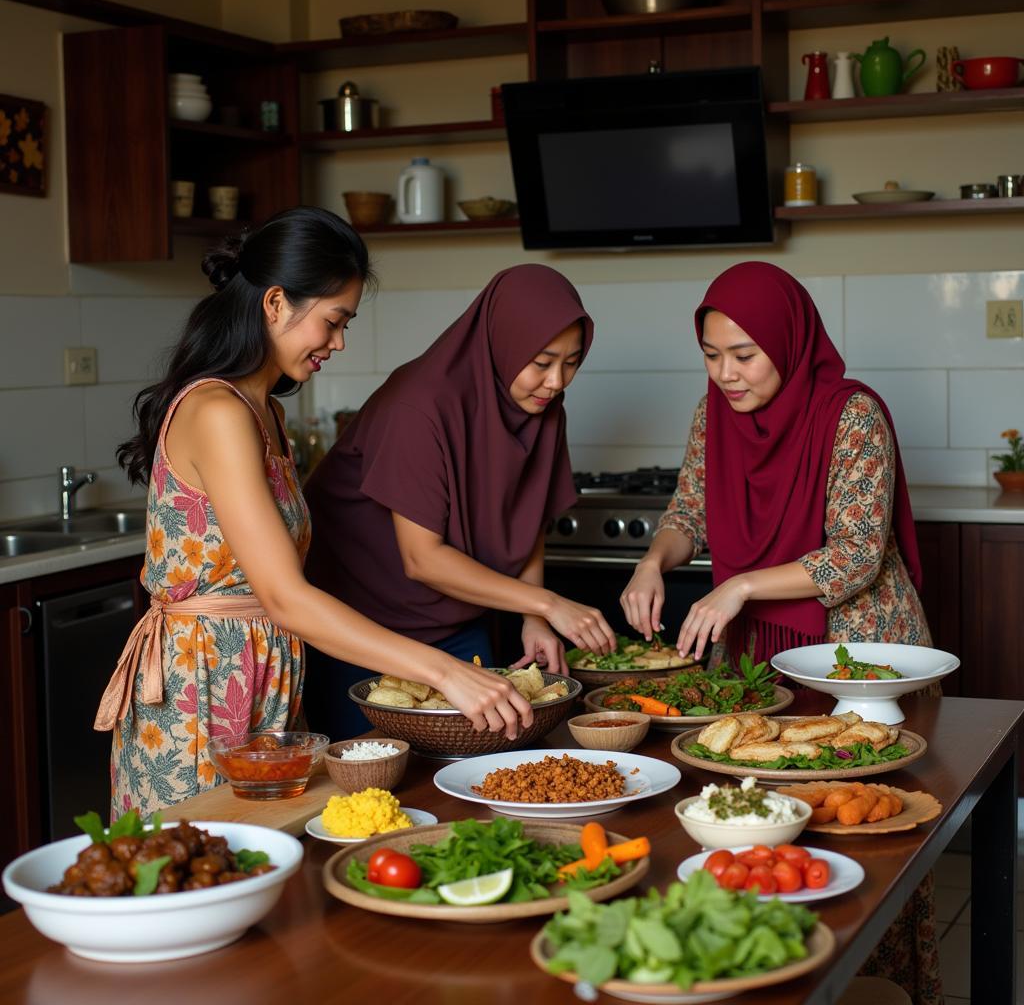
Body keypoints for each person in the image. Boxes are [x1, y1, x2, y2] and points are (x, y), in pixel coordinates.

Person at [96, 207, 533, 819]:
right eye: (333, 321)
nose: (338, 341)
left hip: (265, 675)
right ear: (275, 303)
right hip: (202, 687)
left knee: (268, 867)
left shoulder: (265, 413)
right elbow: (284, 595)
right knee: (190, 874)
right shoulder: (218, 412)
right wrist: (447, 673)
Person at [620, 260, 941, 1004]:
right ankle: (767, 977)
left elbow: (855, 555)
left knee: (857, 825)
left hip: (851, 655)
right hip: (757, 658)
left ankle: (874, 985)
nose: (726, 374)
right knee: (755, 817)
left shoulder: (853, 413)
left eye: (744, 355)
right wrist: (652, 561)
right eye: (710, 355)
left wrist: (741, 584)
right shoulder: (713, 415)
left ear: (789, 344)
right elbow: (688, 514)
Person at [302, 264, 616, 739]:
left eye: (571, 362)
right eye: (542, 361)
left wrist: (532, 618)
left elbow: (528, 518)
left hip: (459, 620)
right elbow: (422, 559)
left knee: (476, 765)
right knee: (370, 783)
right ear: (502, 342)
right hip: (366, 632)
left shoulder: (543, 407)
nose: (556, 382)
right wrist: (549, 604)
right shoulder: (418, 405)